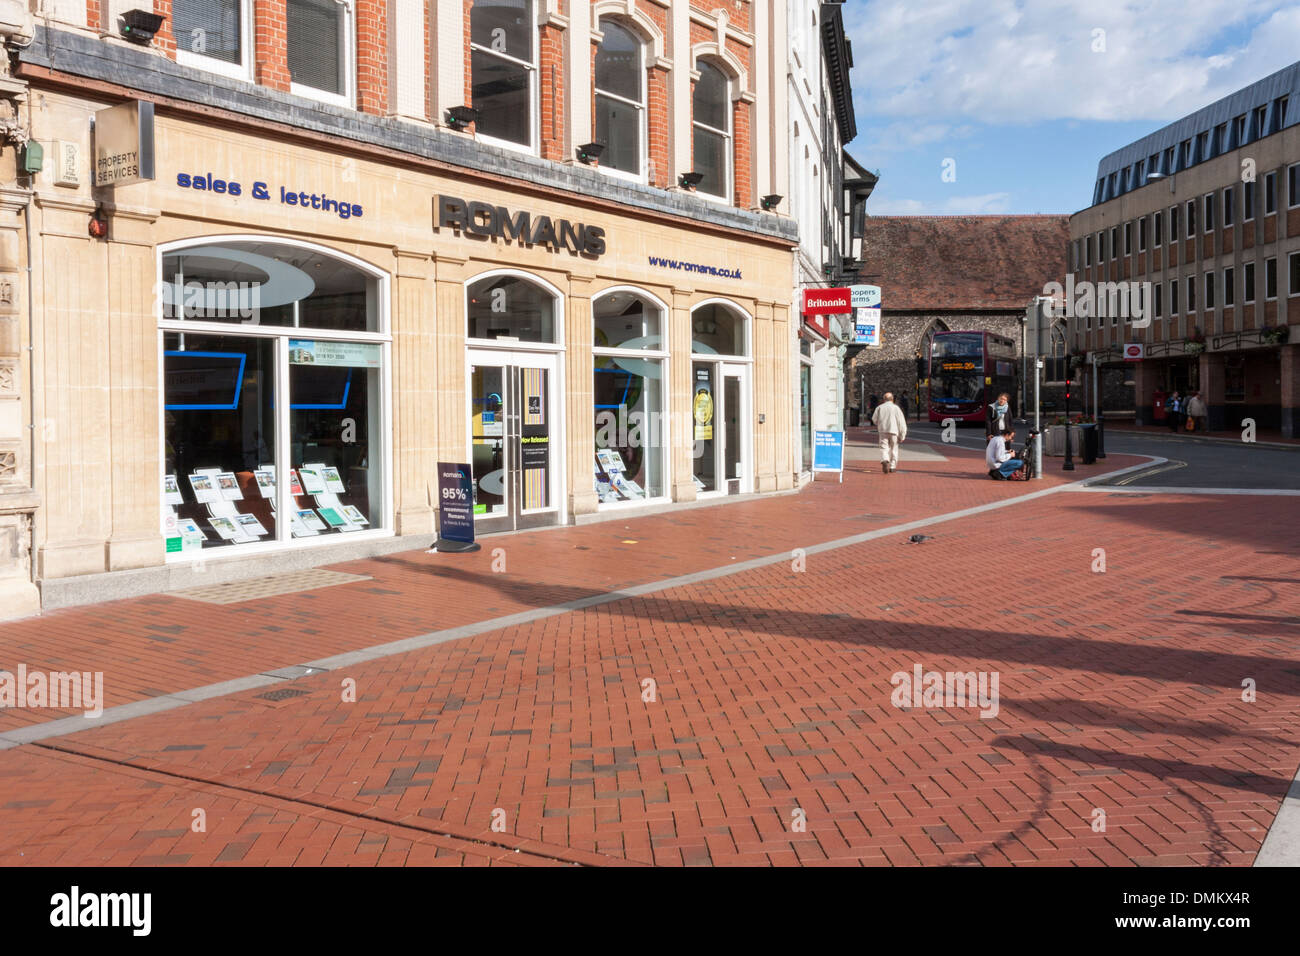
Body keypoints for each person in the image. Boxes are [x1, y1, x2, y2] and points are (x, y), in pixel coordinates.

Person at [871, 391, 908, 474]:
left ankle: (885, 459)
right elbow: (901, 422)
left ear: (884, 399)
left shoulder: (879, 408)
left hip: (883, 430)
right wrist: (902, 435)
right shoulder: (896, 408)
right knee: (894, 448)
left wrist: (879, 423)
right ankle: (892, 466)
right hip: (894, 431)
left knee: (884, 447)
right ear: (892, 399)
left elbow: (874, 419)